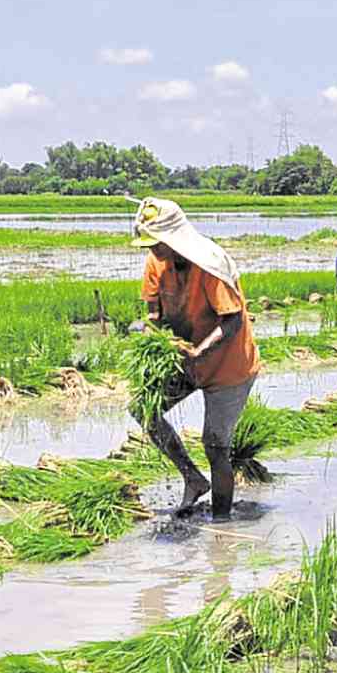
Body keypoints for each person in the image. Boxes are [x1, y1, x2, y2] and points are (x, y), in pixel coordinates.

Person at [130, 197, 261, 520]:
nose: (153, 250)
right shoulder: (155, 263)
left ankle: (222, 527)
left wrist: (198, 352)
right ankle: (192, 478)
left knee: (215, 444)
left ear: (175, 237)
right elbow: (154, 317)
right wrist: (150, 342)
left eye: (157, 243)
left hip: (229, 365)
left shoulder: (210, 264)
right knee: (143, 409)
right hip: (185, 360)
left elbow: (231, 322)